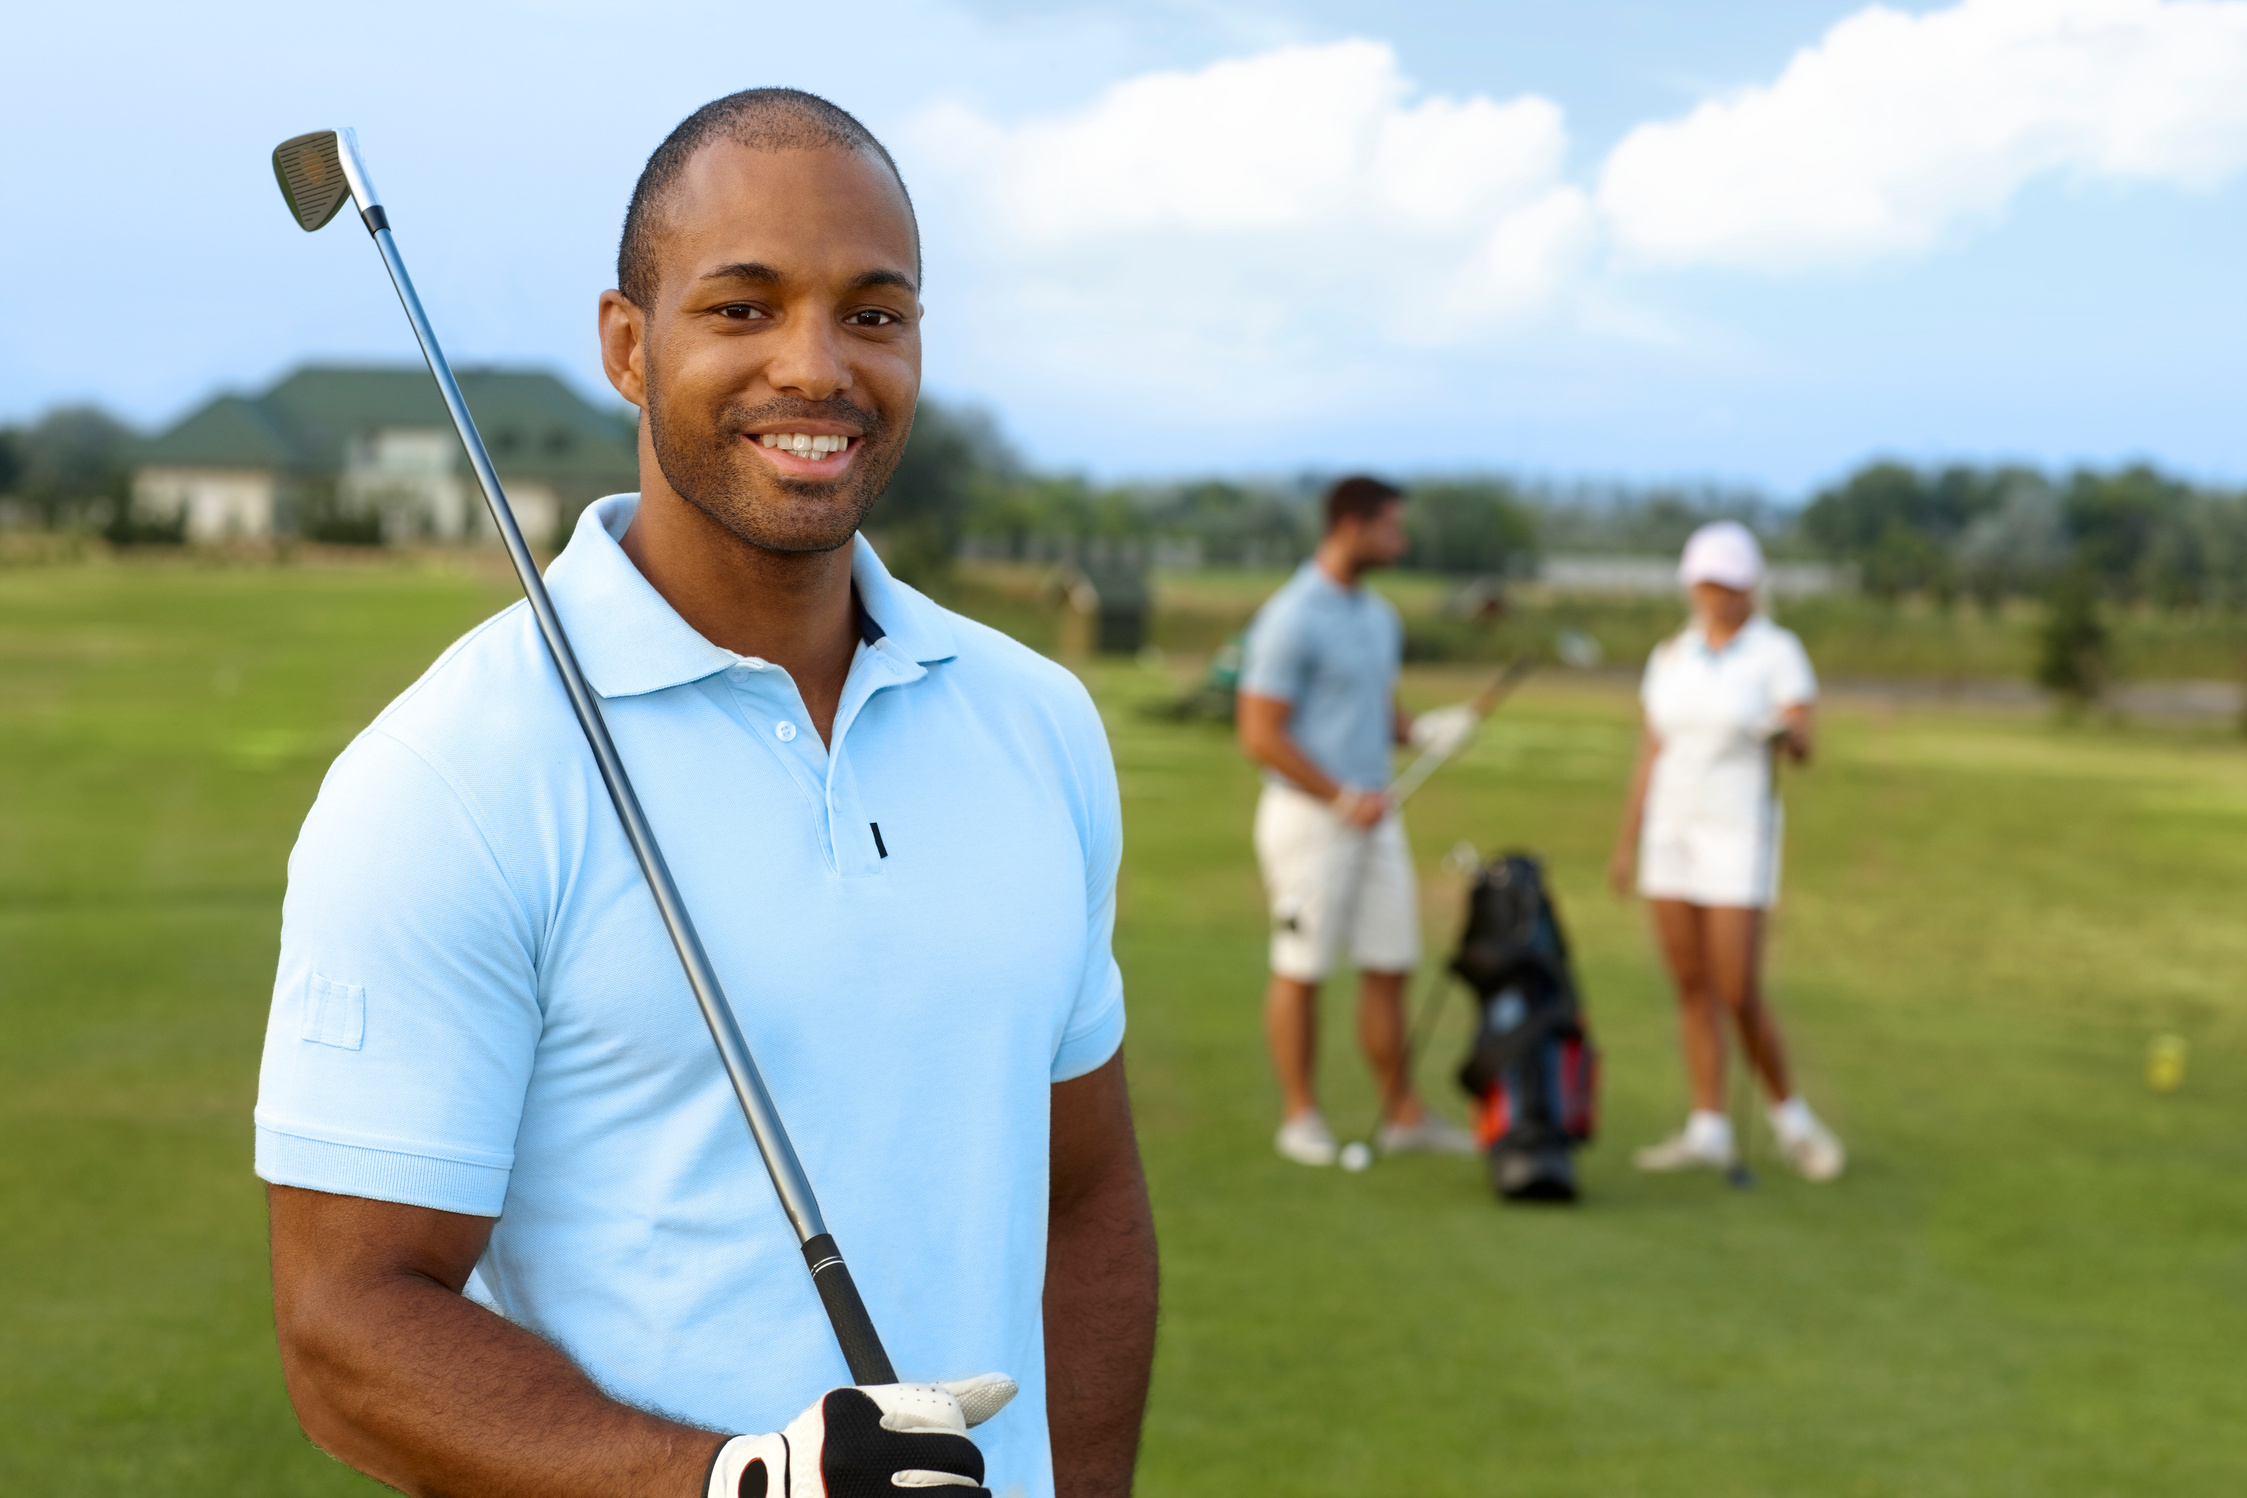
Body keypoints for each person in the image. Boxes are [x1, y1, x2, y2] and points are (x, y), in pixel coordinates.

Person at [254, 89, 1157, 1498]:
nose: (816, 367)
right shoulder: (448, 775)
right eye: (743, 308)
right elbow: (346, 1328)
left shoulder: (1036, 722)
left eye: (873, 314)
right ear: (628, 344)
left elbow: (1085, 1198)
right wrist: (738, 1479)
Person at [1236, 476, 1481, 1167]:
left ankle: (1403, 1115)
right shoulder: (1291, 615)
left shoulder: (1378, 617)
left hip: (1376, 817)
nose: (1400, 541)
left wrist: (1425, 729)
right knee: (1302, 967)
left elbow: (1375, 715)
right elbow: (1259, 732)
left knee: (1390, 963)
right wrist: (1340, 796)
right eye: (1390, 528)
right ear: (1351, 525)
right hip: (1309, 820)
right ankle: (1299, 1117)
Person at [1607, 521, 1846, 1182]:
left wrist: (1784, 734)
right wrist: (1626, 841)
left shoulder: (1776, 651)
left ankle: (1791, 1121)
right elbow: (1652, 750)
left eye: (1728, 585)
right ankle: (1707, 1127)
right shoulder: (1671, 655)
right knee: (1690, 985)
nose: (1717, 596)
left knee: (1737, 987)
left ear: (1748, 587)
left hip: (1738, 834)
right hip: (1670, 833)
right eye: (1708, 584)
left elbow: (1803, 742)